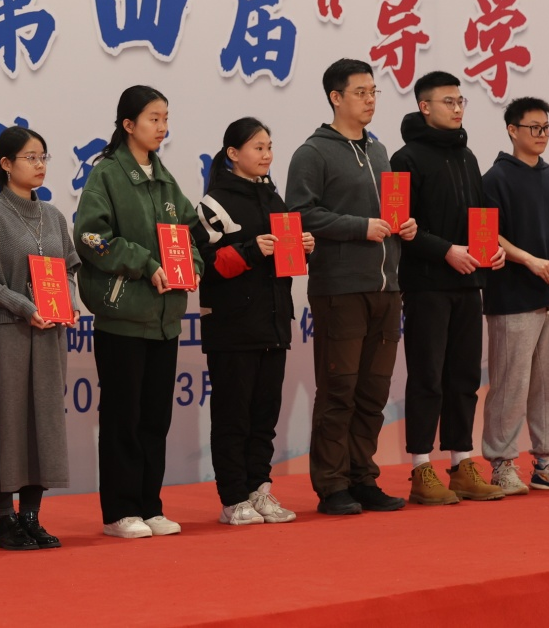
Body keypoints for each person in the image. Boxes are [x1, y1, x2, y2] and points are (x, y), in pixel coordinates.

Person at [285, 59, 417, 516]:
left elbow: (388, 215)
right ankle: (332, 485)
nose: (370, 100)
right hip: (340, 287)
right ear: (335, 97)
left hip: (387, 287)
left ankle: (364, 478)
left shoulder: (379, 151)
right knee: (338, 389)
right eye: (361, 92)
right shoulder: (313, 153)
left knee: (373, 392)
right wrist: (360, 227)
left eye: (374, 92)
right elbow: (299, 214)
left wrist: (404, 226)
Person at [74, 86, 202, 539]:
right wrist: (146, 264)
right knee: (122, 419)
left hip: (165, 321)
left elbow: (189, 234)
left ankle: (150, 505)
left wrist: (192, 267)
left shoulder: (165, 180)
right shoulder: (107, 174)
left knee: (154, 419)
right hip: (123, 318)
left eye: (165, 118)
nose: (162, 127)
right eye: (153, 118)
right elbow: (90, 237)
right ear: (128, 125)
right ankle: (120, 511)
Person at [0, 126, 78, 549]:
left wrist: (70, 303)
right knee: (5, 420)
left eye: (43, 156)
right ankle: (4, 520)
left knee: (43, 422)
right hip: (6, 330)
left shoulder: (54, 216)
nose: (40, 164)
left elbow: (69, 270)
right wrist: (21, 304)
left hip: (49, 334)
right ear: (6, 164)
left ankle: (31, 517)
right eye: (30, 157)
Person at [390, 71, 505, 504]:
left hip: (469, 281)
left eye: (460, 102)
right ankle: (421, 466)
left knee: (464, 376)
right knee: (427, 375)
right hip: (426, 285)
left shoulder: (467, 156)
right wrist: (445, 251)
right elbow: (400, 226)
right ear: (425, 107)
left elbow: (480, 215)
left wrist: (491, 249)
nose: (457, 109)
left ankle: (461, 463)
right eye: (448, 102)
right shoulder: (404, 158)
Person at [193, 117, 314, 526]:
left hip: (274, 323)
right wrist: (250, 250)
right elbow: (203, 265)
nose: (267, 155)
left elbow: (284, 261)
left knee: (265, 416)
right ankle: (232, 499)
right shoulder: (213, 204)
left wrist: (305, 247)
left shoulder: (274, 198)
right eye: (258, 148)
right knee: (233, 417)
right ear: (233, 153)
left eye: (269, 147)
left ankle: (259, 489)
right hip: (233, 327)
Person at [480, 97, 549, 494]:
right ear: (512, 130)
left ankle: (548, 462)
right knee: (511, 383)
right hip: (513, 295)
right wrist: (527, 259)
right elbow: (487, 233)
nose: (542, 134)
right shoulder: (495, 178)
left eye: (546, 127)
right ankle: (502, 464)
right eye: (534, 127)